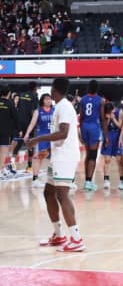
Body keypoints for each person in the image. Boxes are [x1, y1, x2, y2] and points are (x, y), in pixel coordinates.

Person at [27, 78, 85, 252]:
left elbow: (64, 133)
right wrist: (48, 151)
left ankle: (76, 238)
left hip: (65, 157)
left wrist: (38, 139)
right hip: (59, 155)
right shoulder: (59, 106)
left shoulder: (65, 106)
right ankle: (59, 235)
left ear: (54, 89)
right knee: (48, 192)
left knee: (62, 194)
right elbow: (59, 135)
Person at [5, 81, 38, 176]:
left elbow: (18, 108)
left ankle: (12, 164)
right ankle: (29, 166)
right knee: (30, 145)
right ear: (35, 88)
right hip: (28, 124)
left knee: (18, 144)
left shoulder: (21, 94)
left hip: (19, 123)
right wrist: (34, 125)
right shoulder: (34, 96)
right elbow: (33, 112)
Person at [79, 80, 106, 191]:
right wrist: (106, 134)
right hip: (94, 126)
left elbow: (81, 117)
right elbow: (102, 118)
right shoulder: (101, 100)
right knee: (93, 156)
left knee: (88, 154)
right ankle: (89, 182)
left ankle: (87, 181)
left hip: (84, 126)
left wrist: (80, 131)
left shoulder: (83, 99)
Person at [23, 93, 54, 188]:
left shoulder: (55, 110)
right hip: (42, 138)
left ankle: (51, 178)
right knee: (38, 158)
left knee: (53, 160)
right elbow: (32, 124)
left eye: (49, 99)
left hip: (53, 137)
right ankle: (35, 179)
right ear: (42, 100)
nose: (48, 100)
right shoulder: (38, 111)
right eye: (46, 99)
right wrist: (27, 133)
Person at [100, 101, 123, 190]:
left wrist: (113, 118)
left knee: (119, 160)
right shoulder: (104, 113)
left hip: (117, 136)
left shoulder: (120, 112)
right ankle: (106, 180)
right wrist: (108, 119)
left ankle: (122, 180)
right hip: (109, 135)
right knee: (107, 160)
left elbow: (120, 126)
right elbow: (104, 127)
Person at [0, 86, 20, 177]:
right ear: (8, 93)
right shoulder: (10, 103)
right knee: (3, 152)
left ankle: (3, 168)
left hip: (4, 131)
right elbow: (16, 118)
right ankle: (1, 170)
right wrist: (20, 129)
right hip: (5, 132)